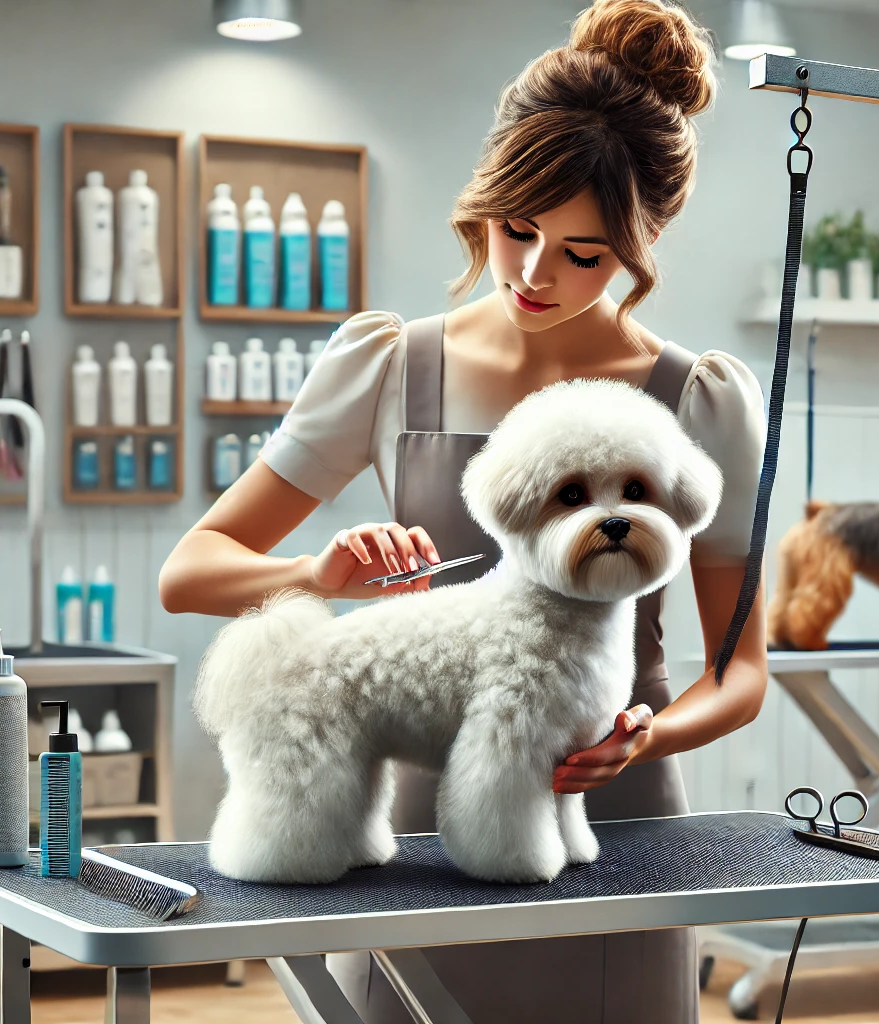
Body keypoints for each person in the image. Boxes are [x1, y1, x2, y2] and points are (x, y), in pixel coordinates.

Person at [159, 0, 767, 1018]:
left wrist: (641, 738)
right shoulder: (391, 367)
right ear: (488, 193)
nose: (533, 272)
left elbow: (741, 671)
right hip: (419, 829)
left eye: (583, 252)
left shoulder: (696, 402)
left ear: (645, 239)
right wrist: (313, 575)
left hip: (614, 827)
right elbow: (193, 570)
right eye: (517, 228)